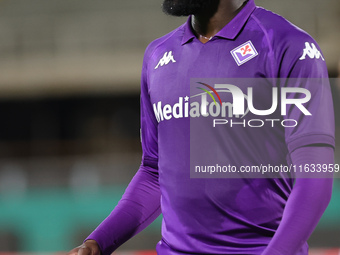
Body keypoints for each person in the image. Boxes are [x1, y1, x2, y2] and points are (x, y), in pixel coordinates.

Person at [68, 0, 335, 254]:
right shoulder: (158, 55)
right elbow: (153, 172)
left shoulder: (287, 45)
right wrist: (99, 242)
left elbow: (315, 171)